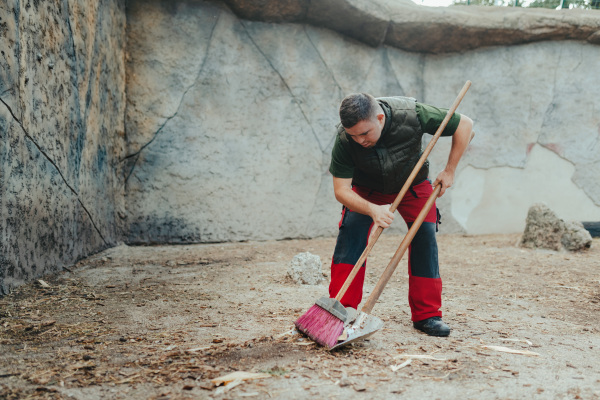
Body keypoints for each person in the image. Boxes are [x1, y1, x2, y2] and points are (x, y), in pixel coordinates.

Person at [328, 93, 473, 336]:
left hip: (413, 185)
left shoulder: (412, 115)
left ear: (380, 118)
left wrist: (449, 170)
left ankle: (427, 315)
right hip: (366, 190)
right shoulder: (345, 139)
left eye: (365, 133)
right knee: (350, 232)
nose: (359, 140)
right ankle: (342, 309)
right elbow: (341, 190)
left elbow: (465, 124)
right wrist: (373, 209)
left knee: (424, 236)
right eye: (354, 135)